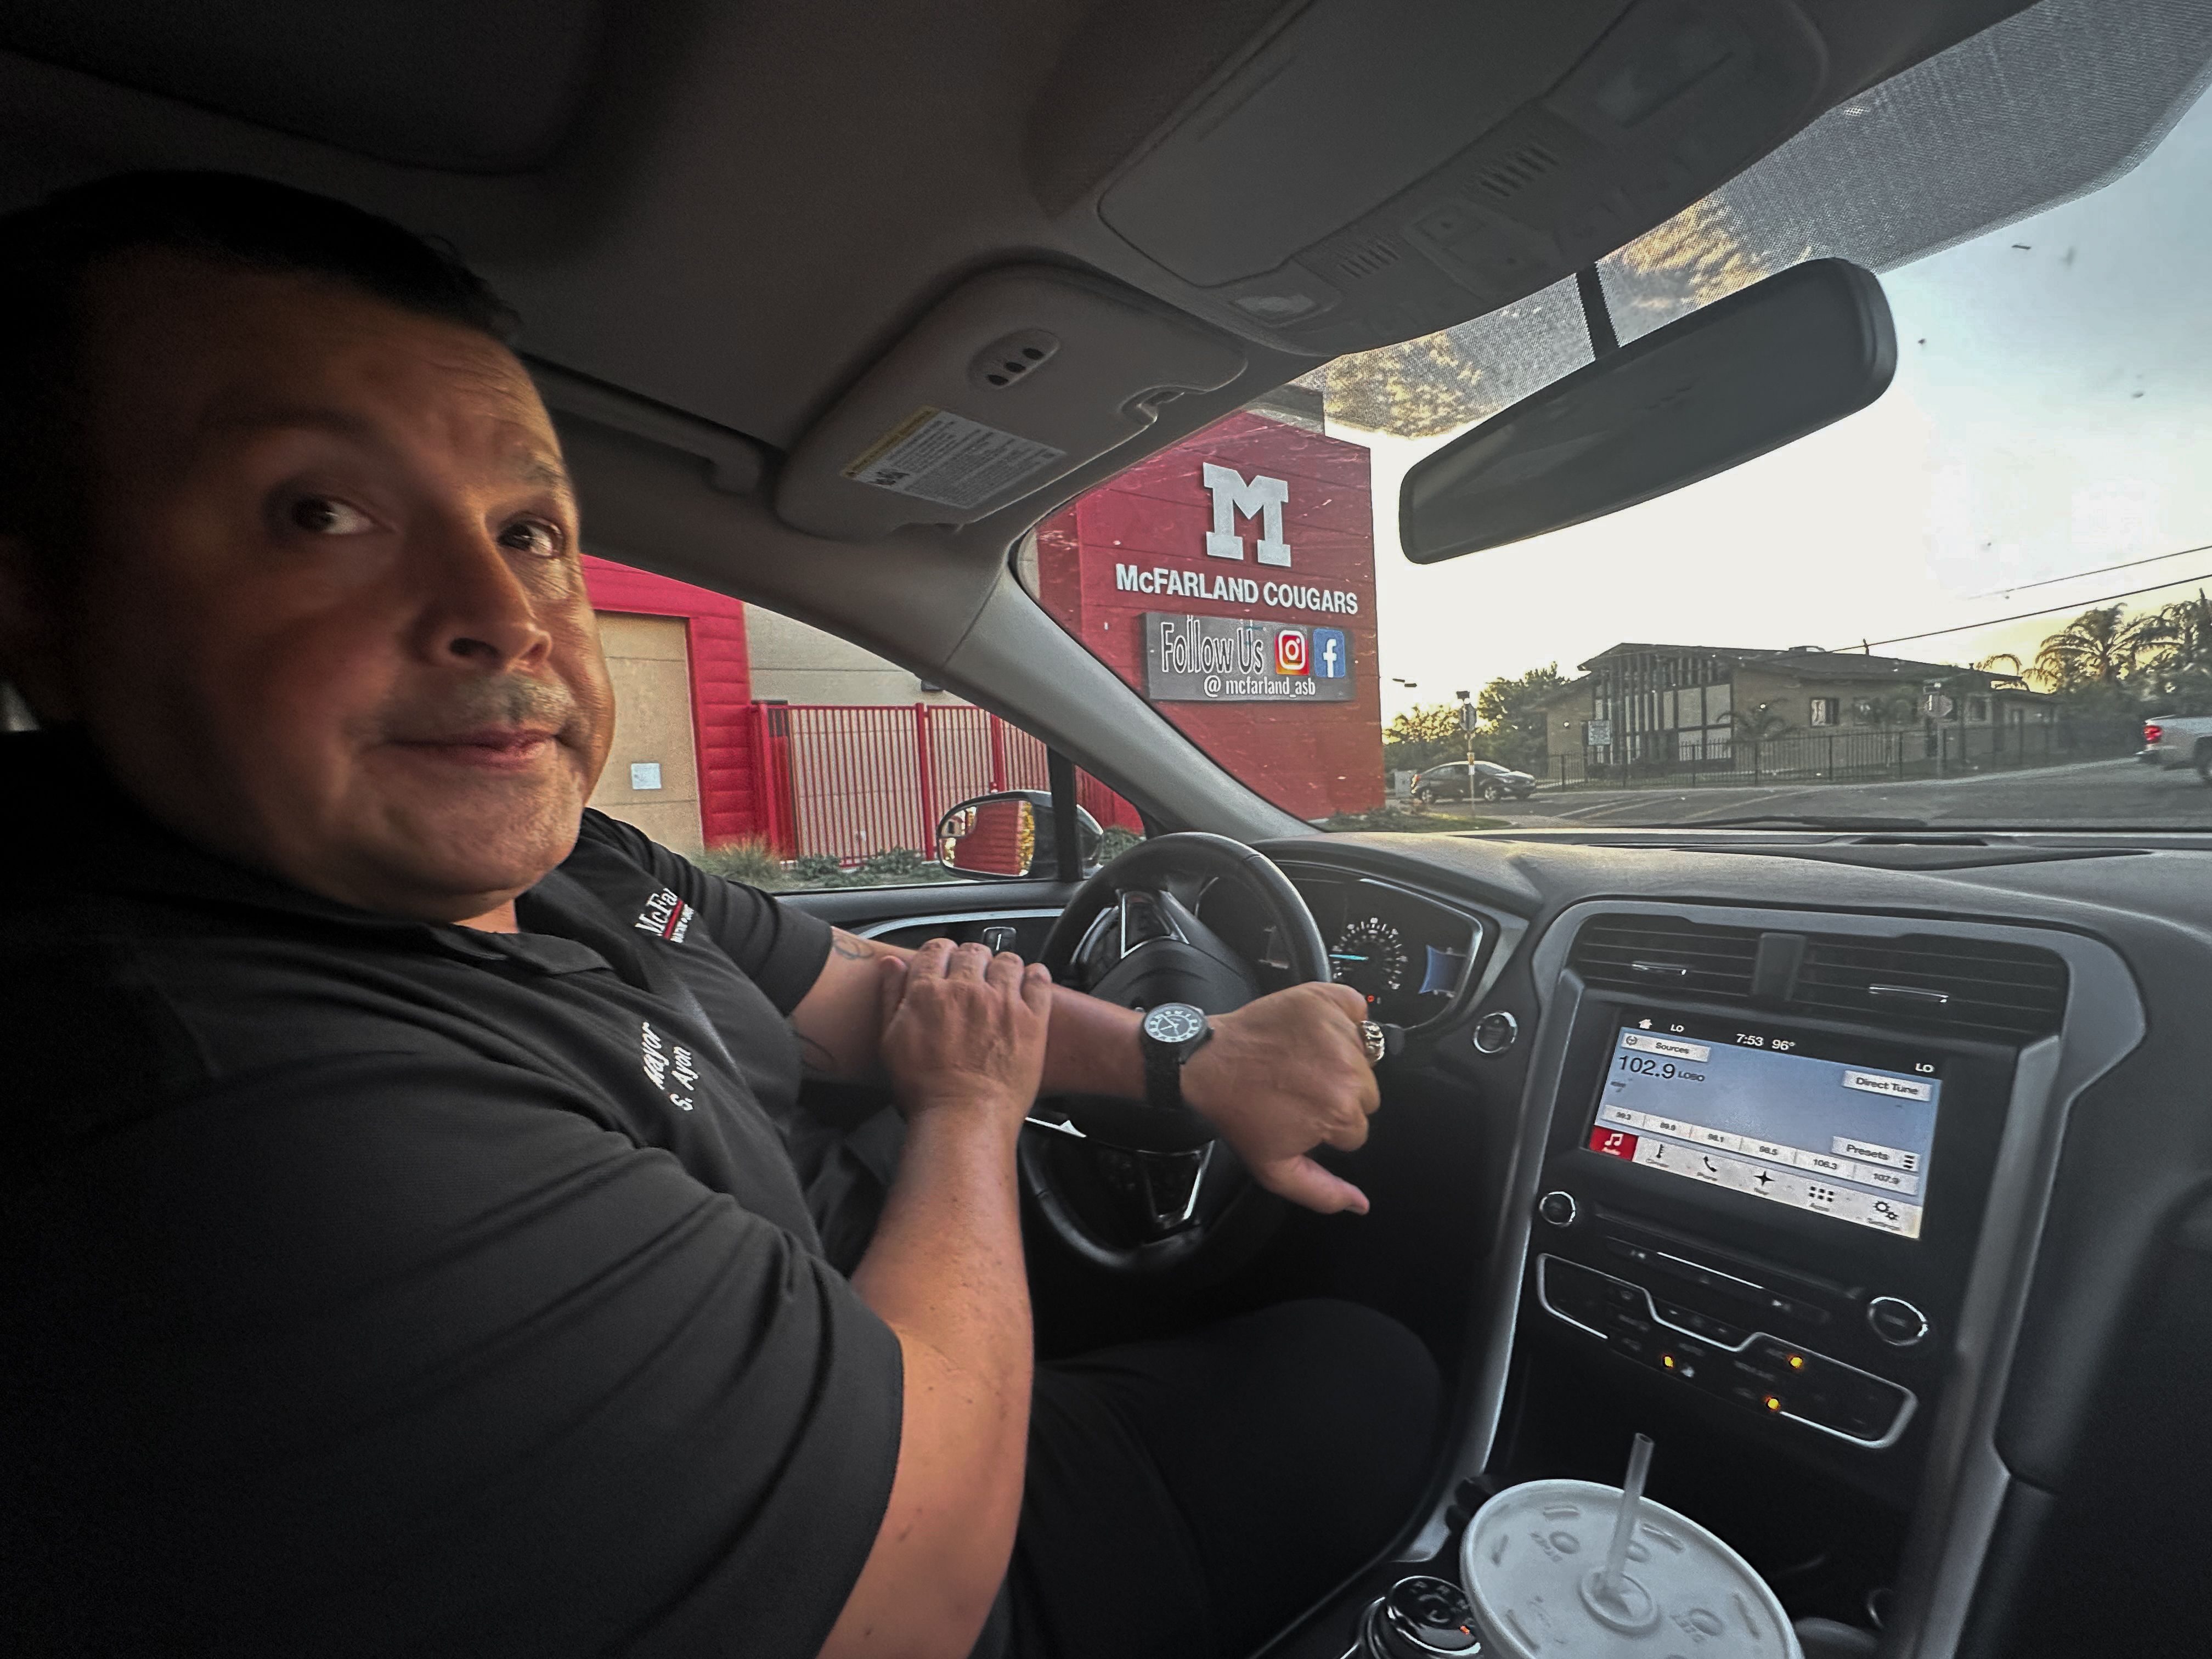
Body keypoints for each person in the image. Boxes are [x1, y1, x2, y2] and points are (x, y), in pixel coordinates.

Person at [0, 172, 1440, 1659]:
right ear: (39, 599)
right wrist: (967, 1117)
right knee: (1368, 1371)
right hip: (933, 1537)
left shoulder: (567, 864)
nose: (498, 607)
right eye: (322, 511)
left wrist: (1188, 1057)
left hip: (861, 1359)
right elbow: (919, 1593)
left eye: (532, 527)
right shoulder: (239, 1105)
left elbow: (859, 990)